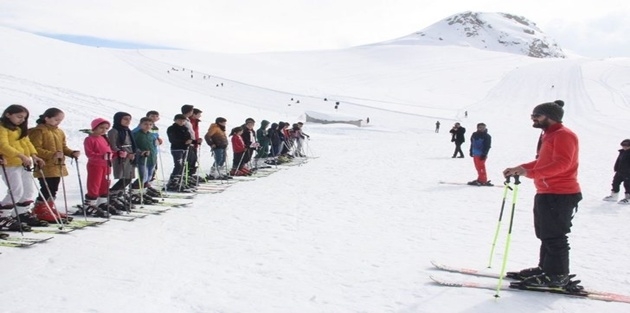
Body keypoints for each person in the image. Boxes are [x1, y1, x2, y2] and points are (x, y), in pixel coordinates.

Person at [503, 100, 582, 288]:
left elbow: (563, 164)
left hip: (561, 193)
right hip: (547, 192)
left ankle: (558, 275)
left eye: (537, 115)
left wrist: (530, 173)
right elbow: (542, 162)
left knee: (555, 235)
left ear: (550, 117)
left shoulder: (564, 135)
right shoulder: (549, 135)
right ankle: (546, 269)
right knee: (545, 234)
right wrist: (521, 168)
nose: (533, 119)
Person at [28, 108, 80, 222]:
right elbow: (34, 149)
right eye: (56, 119)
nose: (58, 122)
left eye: (60, 120)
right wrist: (52, 154)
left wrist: (71, 153)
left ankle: (48, 207)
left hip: (57, 165)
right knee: (47, 188)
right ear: (47, 118)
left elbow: (63, 147)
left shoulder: (59, 131)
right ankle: (40, 209)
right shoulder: (39, 131)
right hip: (44, 165)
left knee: (53, 188)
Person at [0, 104, 47, 231]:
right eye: (19, 116)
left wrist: (34, 156)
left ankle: (20, 213)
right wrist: (20, 155)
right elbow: (3, 146)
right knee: (16, 191)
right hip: (10, 164)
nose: (21, 120)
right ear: (8, 114)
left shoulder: (19, 129)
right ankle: (2, 216)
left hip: (24, 163)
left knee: (28, 191)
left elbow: (27, 142)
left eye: (24, 118)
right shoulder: (2, 128)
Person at [78, 118, 112, 218]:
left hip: (106, 164)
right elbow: (90, 154)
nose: (104, 130)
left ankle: (102, 202)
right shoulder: (90, 139)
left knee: (105, 183)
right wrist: (101, 156)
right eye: (101, 128)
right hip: (95, 165)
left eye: (106, 128)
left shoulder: (104, 138)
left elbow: (109, 150)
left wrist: (116, 154)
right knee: (94, 183)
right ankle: (90, 204)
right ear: (94, 127)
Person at [132, 117, 158, 201]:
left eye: (150, 124)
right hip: (142, 158)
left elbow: (154, 144)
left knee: (150, 176)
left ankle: (143, 191)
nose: (148, 126)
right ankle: (135, 191)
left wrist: (158, 142)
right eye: (145, 124)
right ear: (140, 125)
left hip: (152, 157)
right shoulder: (136, 134)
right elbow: (134, 146)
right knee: (143, 176)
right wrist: (140, 152)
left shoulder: (151, 134)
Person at [166, 114, 194, 191]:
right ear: (175, 120)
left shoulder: (185, 128)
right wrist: (185, 142)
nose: (181, 122)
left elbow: (189, 137)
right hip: (176, 149)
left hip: (185, 149)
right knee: (178, 165)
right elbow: (173, 139)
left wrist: (194, 141)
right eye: (179, 120)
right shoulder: (172, 128)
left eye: (183, 120)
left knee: (183, 165)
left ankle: (179, 181)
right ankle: (173, 182)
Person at [602, 139, 630, 204]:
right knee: (615, 182)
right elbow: (618, 161)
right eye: (623, 145)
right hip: (619, 171)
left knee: (627, 185)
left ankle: (628, 198)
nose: (624, 147)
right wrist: (616, 167)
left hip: (628, 173)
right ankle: (614, 196)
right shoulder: (622, 152)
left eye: (627, 146)